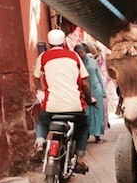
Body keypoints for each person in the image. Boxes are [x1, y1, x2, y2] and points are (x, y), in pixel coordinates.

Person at [33, 28, 94, 173]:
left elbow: (36, 78)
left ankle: (40, 144)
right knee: (83, 127)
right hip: (74, 105)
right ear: (64, 42)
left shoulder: (43, 57)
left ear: (49, 43)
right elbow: (84, 82)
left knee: (42, 121)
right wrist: (89, 98)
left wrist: (40, 89)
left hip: (51, 106)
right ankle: (80, 160)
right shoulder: (73, 56)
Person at [74, 43, 106, 141]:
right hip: (84, 91)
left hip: (96, 90)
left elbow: (99, 76)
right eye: (78, 53)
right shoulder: (75, 64)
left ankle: (97, 135)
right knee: (86, 114)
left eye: (81, 52)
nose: (80, 54)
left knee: (98, 113)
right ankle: (86, 135)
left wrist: (103, 91)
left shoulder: (92, 62)